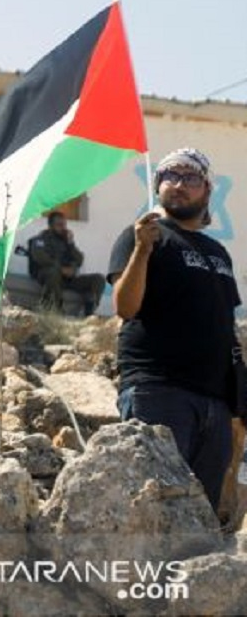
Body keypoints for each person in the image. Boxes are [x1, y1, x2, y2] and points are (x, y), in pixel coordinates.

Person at [109, 147, 241, 510]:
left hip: (215, 405)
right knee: (154, 509)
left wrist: (238, 401)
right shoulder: (140, 237)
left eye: (190, 177)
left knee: (200, 517)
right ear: (157, 185)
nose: (179, 184)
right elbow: (125, 307)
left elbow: (225, 327)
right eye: (170, 175)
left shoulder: (219, 253)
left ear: (207, 189)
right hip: (159, 393)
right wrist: (142, 250)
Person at [27, 210, 106, 315]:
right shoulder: (41, 239)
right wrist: (61, 269)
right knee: (53, 272)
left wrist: (71, 244)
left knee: (99, 279)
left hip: (67, 279)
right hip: (49, 277)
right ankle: (55, 310)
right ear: (50, 226)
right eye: (59, 225)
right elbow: (40, 257)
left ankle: (90, 310)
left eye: (64, 225)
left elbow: (80, 260)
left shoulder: (66, 241)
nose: (63, 228)